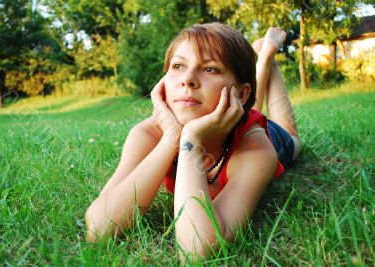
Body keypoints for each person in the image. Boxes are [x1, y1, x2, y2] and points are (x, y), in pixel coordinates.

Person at [85, 22, 302, 263]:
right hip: (234, 115)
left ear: (241, 93)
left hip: (263, 134)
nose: (188, 79)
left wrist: (192, 139)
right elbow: (99, 228)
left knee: (290, 133)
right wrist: (172, 139)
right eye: (178, 66)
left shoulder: (257, 149)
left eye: (210, 69)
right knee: (249, 106)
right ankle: (262, 58)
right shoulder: (147, 134)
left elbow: (198, 250)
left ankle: (268, 58)